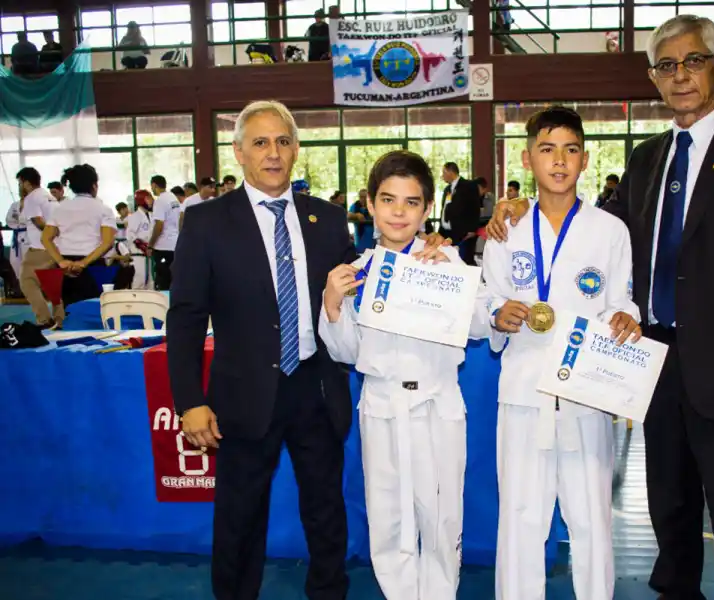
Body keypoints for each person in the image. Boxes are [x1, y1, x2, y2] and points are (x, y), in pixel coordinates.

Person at [487, 16, 714, 600]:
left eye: (693, 61)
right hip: (653, 361)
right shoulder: (647, 159)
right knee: (671, 503)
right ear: (654, 79)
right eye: (667, 66)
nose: (681, 75)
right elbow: (596, 234)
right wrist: (512, 211)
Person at [167, 100, 446, 600]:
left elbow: (365, 284)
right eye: (260, 142)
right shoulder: (206, 222)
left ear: (296, 149)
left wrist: (427, 250)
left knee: (325, 512)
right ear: (239, 152)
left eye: (282, 141)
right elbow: (185, 317)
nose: (273, 153)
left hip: (316, 388)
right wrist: (189, 401)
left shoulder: (328, 218)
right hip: (244, 393)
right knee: (239, 517)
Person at [482, 106, 641, 600]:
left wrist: (626, 317)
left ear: (586, 159)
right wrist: (497, 314)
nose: (559, 161)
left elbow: (622, 299)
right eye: (546, 150)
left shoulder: (609, 230)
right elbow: (489, 295)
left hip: (585, 396)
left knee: (591, 518)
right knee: (521, 519)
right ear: (527, 160)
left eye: (570, 150)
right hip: (524, 390)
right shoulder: (505, 229)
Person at [319, 150, 490, 599]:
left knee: (440, 518)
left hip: (437, 404)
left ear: (427, 209)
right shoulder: (353, 274)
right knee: (389, 520)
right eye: (388, 200)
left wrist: (450, 275)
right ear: (370, 204)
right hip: (381, 405)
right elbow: (347, 352)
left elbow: (478, 325)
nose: (398, 212)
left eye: (411, 202)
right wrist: (333, 304)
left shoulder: (447, 263)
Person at [41, 164, 117, 307]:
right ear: (94, 186)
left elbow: (46, 238)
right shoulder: (103, 209)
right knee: (95, 309)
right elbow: (107, 242)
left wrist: (61, 261)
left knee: (69, 309)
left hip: (65, 265)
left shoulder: (59, 208)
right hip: (92, 264)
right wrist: (83, 263)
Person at [18, 167, 66, 328]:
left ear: (26, 182)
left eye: (21, 182)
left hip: (40, 247)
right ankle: (59, 319)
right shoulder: (49, 197)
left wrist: (50, 234)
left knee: (27, 281)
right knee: (52, 285)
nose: (20, 186)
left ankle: (44, 318)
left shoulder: (32, 198)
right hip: (57, 248)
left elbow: (39, 222)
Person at [438, 162, 481, 266]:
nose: (442, 176)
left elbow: (475, 208)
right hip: (446, 232)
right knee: (449, 261)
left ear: (450, 172)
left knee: (465, 260)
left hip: (463, 232)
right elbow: (445, 208)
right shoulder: (447, 189)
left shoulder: (468, 186)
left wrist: (473, 228)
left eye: (444, 172)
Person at [148, 175, 181, 291]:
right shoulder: (173, 197)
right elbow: (181, 217)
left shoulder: (160, 200)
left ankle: (164, 307)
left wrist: (150, 245)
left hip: (163, 247)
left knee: (163, 282)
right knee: (173, 280)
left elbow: (159, 226)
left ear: (154, 185)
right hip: (175, 245)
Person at [126, 190, 155, 290]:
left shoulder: (152, 216)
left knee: (151, 284)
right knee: (139, 283)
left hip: (150, 255)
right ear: (141, 200)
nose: (151, 201)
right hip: (138, 256)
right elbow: (130, 235)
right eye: (148, 199)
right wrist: (142, 246)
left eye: (151, 198)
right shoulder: (134, 217)